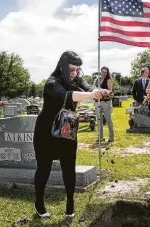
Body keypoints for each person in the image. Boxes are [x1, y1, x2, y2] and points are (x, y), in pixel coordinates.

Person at [33, 51, 110, 219]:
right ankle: (39, 204)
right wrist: (91, 95)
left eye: (77, 69)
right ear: (62, 67)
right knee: (43, 168)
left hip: (67, 130)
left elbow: (89, 87)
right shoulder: (52, 82)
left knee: (69, 168)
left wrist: (99, 90)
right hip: (46, 132)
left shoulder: (76, 79)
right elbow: (66, 95)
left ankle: (70, 204)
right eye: (71, 69)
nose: (75, 73)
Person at [93, 66, 115, 142]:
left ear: (107, 73)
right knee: (99, 120)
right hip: (97, 102)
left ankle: (111, 137)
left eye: (105, 72)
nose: (104, 73)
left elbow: (110, 92)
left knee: (108, 119)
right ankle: (100, 137)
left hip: (106, 102)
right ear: (100, 72)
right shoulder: (97, 80)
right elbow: (93, 90)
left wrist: (102, 94)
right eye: (102, 72)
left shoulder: (108, 80)